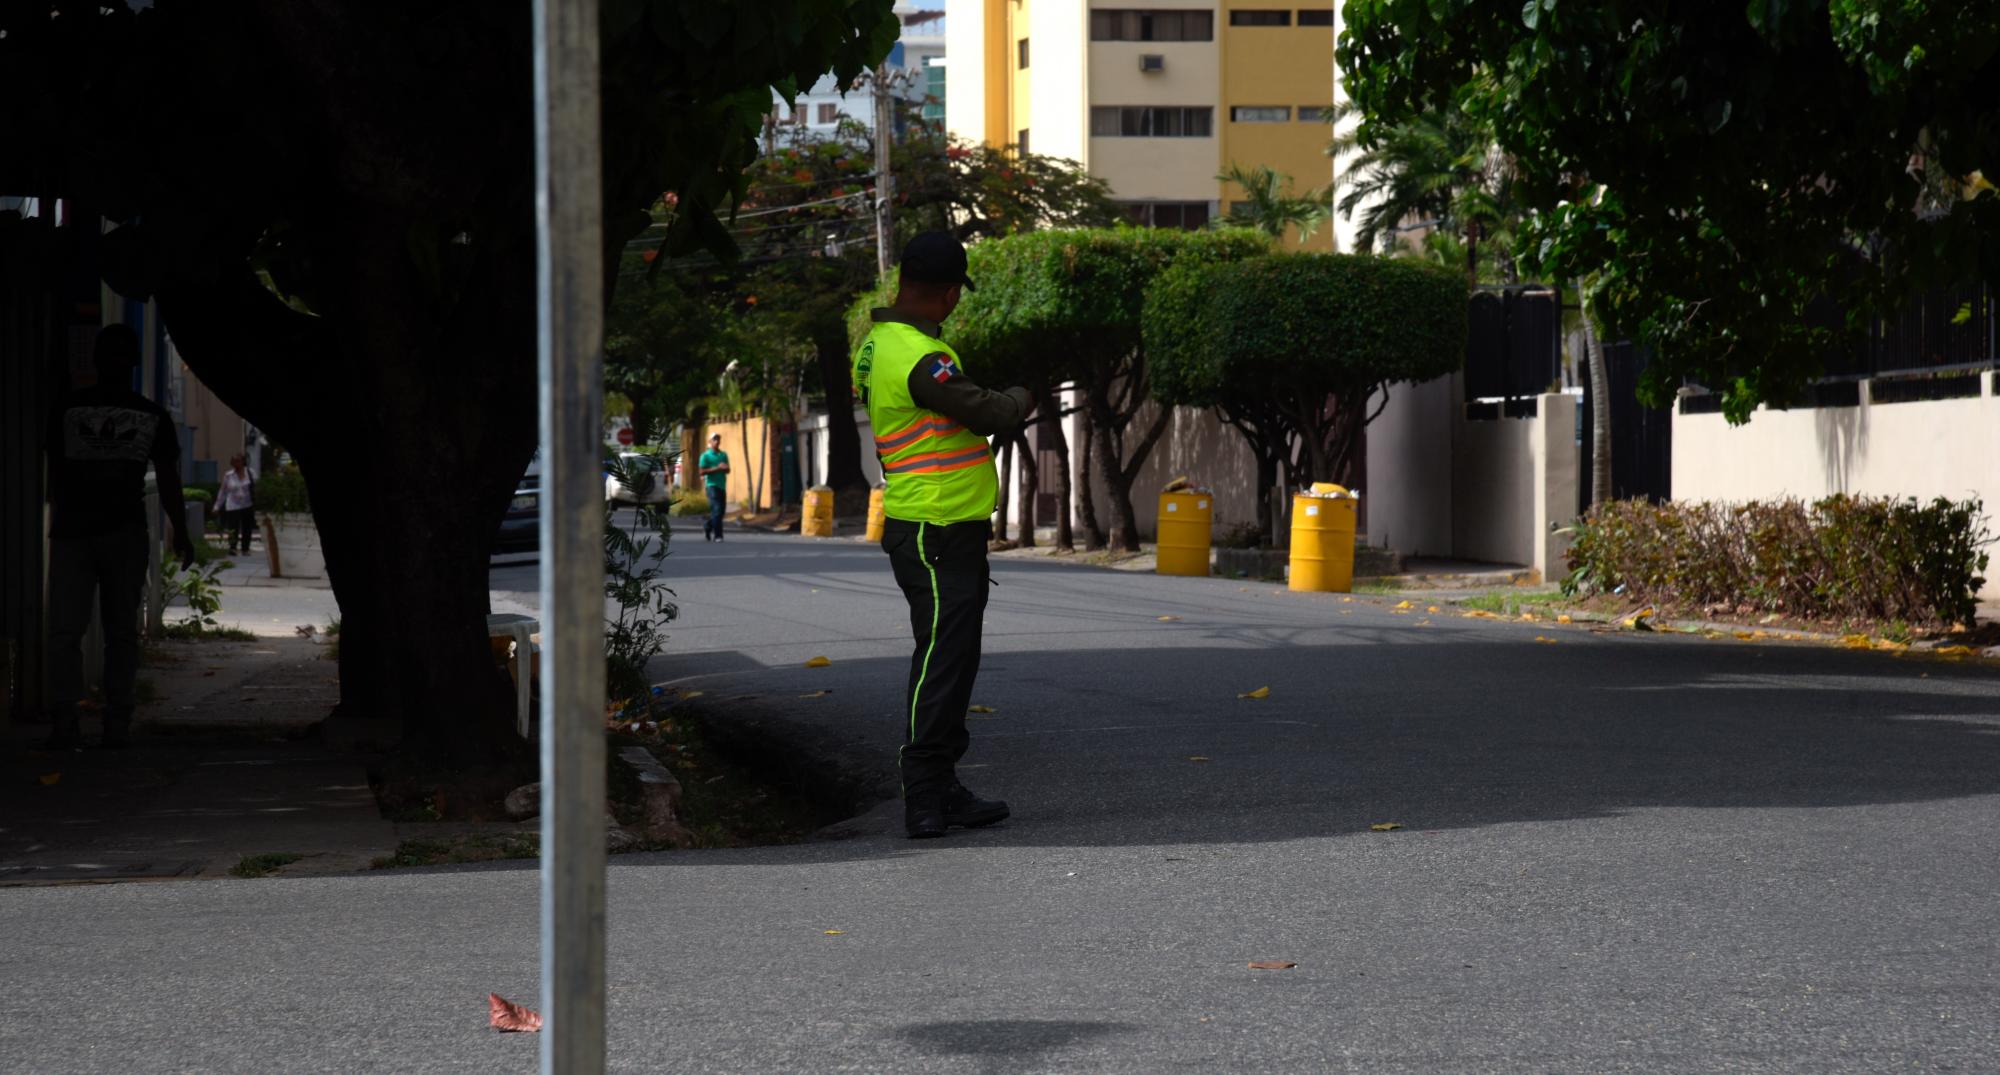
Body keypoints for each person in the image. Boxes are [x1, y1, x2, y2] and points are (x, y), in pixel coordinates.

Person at [853, 231, 1032, 839]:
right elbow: (991, 413)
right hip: (935, 527)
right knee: (941, 660)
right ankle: (925, 792)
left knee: (953, 659)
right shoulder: (920, 356)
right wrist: (1021, 393)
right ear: (949, 292)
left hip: (930, 525)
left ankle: (943, 787)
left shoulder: (877, 345)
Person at [45, 324, 195, 749]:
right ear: (133, 363)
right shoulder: (150, 415)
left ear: (95, 360)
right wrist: (181, 532)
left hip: (75, 531)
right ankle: (116, 719)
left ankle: (65, 719)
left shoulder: (68, 410)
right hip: (122, 531)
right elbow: (168, 480)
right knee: (120, 631)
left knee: (66, 631)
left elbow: (55, 471)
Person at [218, 453, 256, 554]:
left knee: (247, 527)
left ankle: (245, 548)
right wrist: (217, 505)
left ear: (243, 461)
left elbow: (256, 487)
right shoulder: (228, 475)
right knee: (233, 527)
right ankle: (232, 547)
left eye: (238, 461)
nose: (236, 463)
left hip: (247, 504)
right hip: (233, 505)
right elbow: (223, 491)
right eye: (234, 461)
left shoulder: (250, 473)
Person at [698, 432, 730, 542]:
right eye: (714, 439)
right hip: (711, 486)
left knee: (721, 512)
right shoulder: (705, 456)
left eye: (718, 439)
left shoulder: (723, 455)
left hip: (722, 486)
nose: (717, 441)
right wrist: (717, 468)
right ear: (710, 442)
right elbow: (702, 472)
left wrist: (725, 468)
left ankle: (708, 525)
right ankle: (718, 535)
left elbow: (727, 470)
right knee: (716, 509)